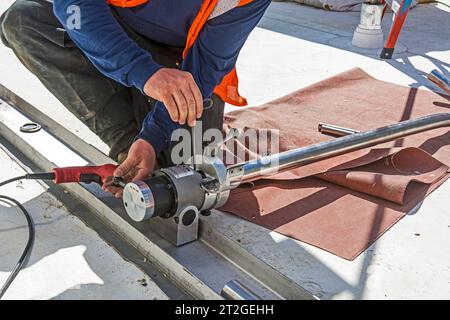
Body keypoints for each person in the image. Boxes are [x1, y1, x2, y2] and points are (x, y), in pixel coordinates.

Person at [0, 0, 271, 197]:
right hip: (109, 29)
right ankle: (126, 144)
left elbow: (206, 67)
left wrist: (154, 137)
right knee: (23, 21)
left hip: (180, 64)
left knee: (186, 177)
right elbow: (74, 5)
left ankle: (141, 147)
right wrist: (143, 72)